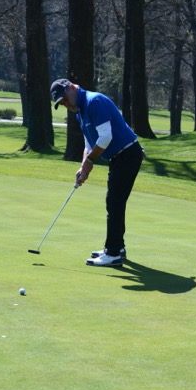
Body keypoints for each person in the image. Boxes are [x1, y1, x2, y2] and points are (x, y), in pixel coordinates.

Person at [51, 78, 144, 267]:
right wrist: (83, 167)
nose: (66, 104)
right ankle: (117, 247)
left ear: (71, 88)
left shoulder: (94, 102)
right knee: (115, 202)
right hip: (118, 157)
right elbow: (89, 142)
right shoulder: (80, 111)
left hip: (127, 154)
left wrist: (90, 161)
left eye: (65, 99)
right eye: (62, 103)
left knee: (114, 202)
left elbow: (106, 137)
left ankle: (113, 253)